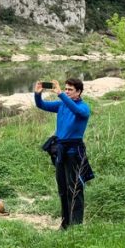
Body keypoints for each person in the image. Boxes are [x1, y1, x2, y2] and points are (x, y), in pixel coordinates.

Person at [35, 78, 92, 229]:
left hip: (75, 151)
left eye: (70, 90)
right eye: (65, 89)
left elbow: (76, 110)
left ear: (79, 92)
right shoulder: (62, 104)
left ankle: (76, 224)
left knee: (75, 188)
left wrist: (60, 94)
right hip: (61, 150)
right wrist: (37, 94)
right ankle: (65, 223)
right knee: (63, 189)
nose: (66, 91)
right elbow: (40, 105)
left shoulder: (84, 108)